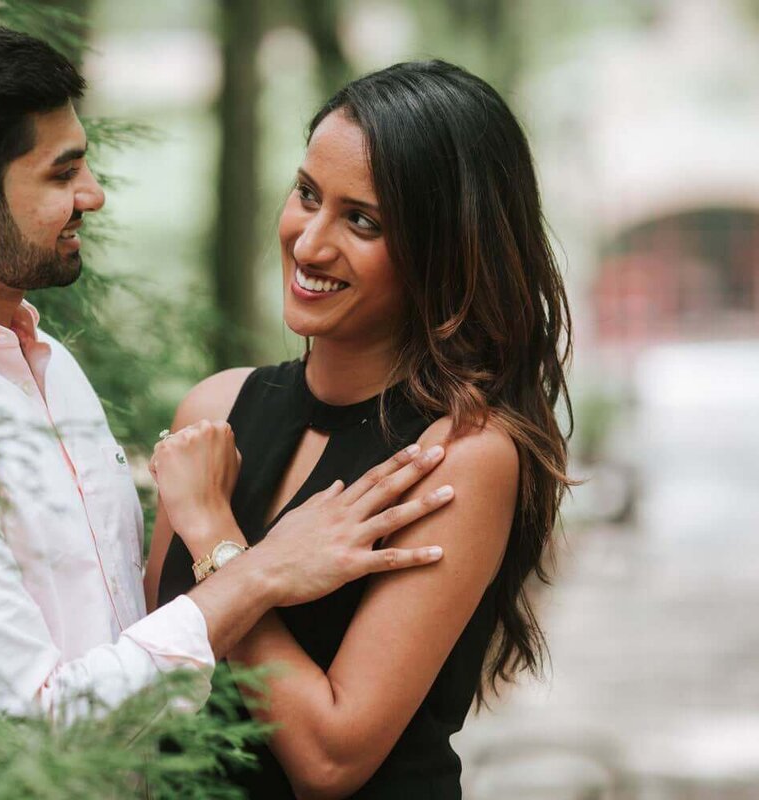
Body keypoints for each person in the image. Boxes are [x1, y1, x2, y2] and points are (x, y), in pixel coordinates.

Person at [0, 26, 453, 730]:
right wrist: (257, 571)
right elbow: (41, 720)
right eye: (63, 173)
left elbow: (115, 626)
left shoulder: (46, 364)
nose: (93, 195)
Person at [147, 61, 573, 798]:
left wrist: (219, 540)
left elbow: (331, 757)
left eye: (363, 221)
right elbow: (152, 680)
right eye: (308, 195)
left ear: (441, 250)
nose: (309, 245)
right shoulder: (213, 411)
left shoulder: (457, 457)